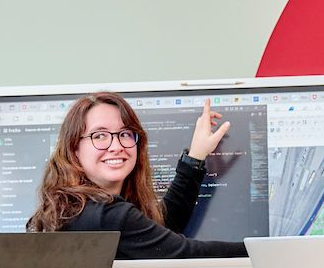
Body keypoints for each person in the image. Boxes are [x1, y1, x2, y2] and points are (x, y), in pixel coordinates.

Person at [27, 92, 247, 258]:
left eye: (124, 134)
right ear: (74, 147)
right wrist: (265, 251)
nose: (116, 146)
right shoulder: (105, 215)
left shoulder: (79, 208)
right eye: (100, 135)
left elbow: (162, 231)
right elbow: (182, 253)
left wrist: (196, 157)